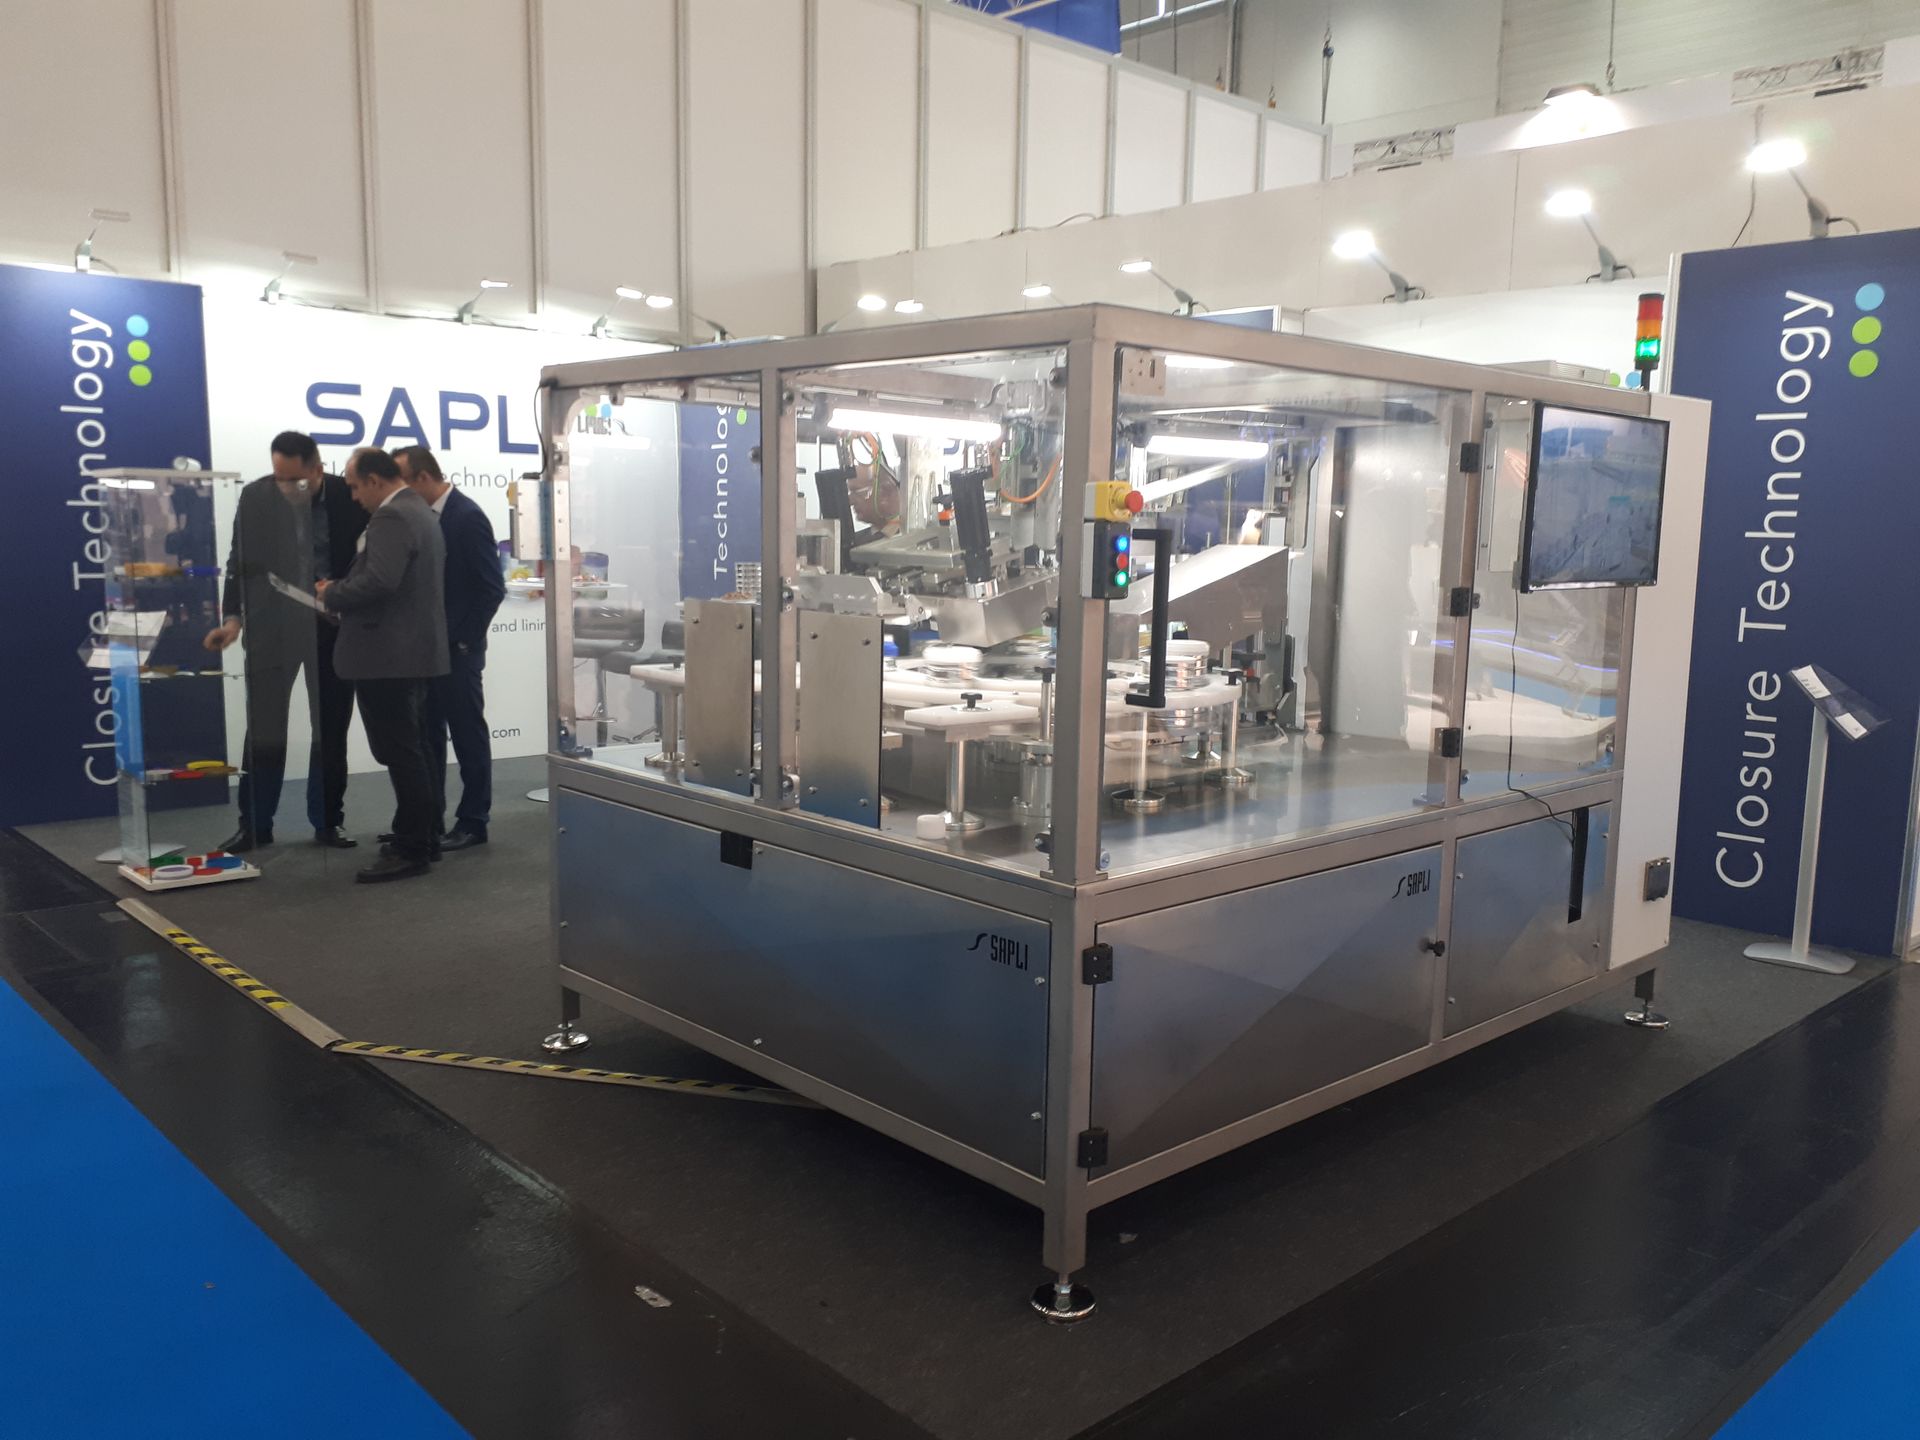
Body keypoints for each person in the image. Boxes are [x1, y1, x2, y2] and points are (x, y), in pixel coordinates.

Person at [205, 431, 367, 853]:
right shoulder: (256, 496)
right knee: (264, 730)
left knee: (330, 728)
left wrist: (346, 598)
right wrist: (233, 618)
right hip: (271, 629)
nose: (285, 487)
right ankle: (255, 825)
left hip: (332, 629)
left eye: (295, 479)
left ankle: (328, 821)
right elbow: (239, 562)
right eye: (279, 477)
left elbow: (366, 560)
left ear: (318, 470)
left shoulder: (347, 496)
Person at [317, 447, 449, 882]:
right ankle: (422, 837)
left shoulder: (392, 516)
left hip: (387, 655)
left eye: (356, 487)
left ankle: (413, 848)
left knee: (403, 752)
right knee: (413, 749)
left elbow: (380, 581)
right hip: (407, 651)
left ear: (375, 481)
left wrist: (332, 593)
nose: (354, 497)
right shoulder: (420, 511)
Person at [395, 445, 506, 851]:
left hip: (457, 652)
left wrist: (463, 640)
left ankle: (474, 821)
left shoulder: (467, 516)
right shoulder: (420, 517)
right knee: (426, 737)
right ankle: (429, 821)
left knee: (467, 736)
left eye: (403, 484)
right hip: (424, 650)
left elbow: (491, 588)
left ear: (423, 478)